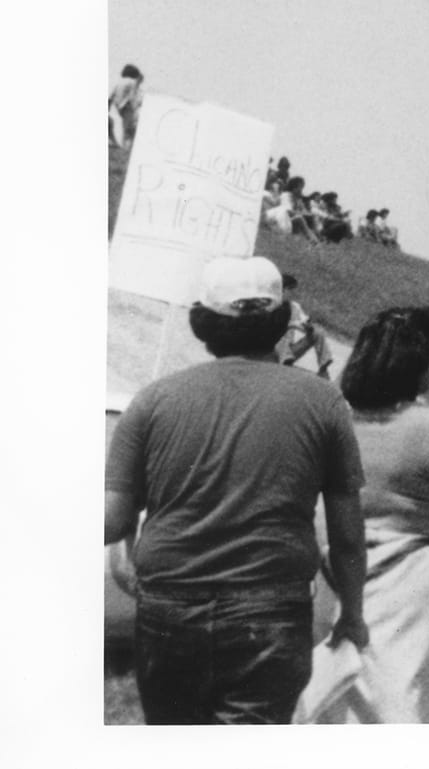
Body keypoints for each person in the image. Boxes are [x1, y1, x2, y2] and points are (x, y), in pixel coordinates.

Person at [104, 256, 368, 724]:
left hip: (168, 608)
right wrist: (352, 612)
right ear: (281, 322)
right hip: (269, 611)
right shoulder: (323, 401)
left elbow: (111, 520)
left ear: (202, 323)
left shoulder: (151, 401)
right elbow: (348, 535)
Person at [321, 307, 429, 723]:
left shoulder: (333, 424)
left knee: (348, 705)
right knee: (416, 704)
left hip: (341, 571)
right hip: (414, 575)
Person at [277, 273, 334, 378]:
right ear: (283, 289)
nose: (293, 294)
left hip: (288, 353)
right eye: (291, 290)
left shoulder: (294, 307)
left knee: (318, 332)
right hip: (271, 352)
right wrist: (291, 325)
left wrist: (308, 327)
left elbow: (305, 321)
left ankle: (323, 367)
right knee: (282, 338)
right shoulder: (272, 305)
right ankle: (283, 363)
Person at [108, 63, 144, 148]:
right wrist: (136, 105)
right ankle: (126, 146)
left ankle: (125, 145)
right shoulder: (132, 82)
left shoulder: (119, 82)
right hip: (128, 106)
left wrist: (108, 106)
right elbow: (132, 95)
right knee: (129, 127)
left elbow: (111, 96)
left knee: (126, 127)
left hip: (119, 107)